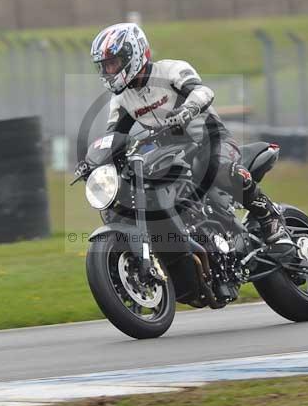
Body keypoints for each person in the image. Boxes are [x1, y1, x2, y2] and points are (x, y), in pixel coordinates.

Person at [78, 22, 294, 251]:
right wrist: (93, 163)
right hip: (170, 153)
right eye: (105, 66)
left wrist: (187, 109)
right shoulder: (121, 100)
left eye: (113, 64)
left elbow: (203, 91)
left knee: (218, 168)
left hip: (209, 139)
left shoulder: (171, 70)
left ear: (134, 53)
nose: (109, 71)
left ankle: (269, 216)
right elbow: (114, 138)